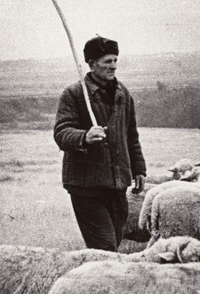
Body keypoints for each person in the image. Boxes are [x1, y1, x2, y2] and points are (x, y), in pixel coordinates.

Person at [54, 35, 146, 251]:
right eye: (107, 61)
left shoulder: (123, 93)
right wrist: (84, 136)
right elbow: (61, 132)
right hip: (87, 187)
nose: (113, 66)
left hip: (117, 185)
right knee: (104, 248)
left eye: (115, 60)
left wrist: (139, 169)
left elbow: (131, 135)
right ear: (92, 64)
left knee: (113, 245)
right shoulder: (74, 94)